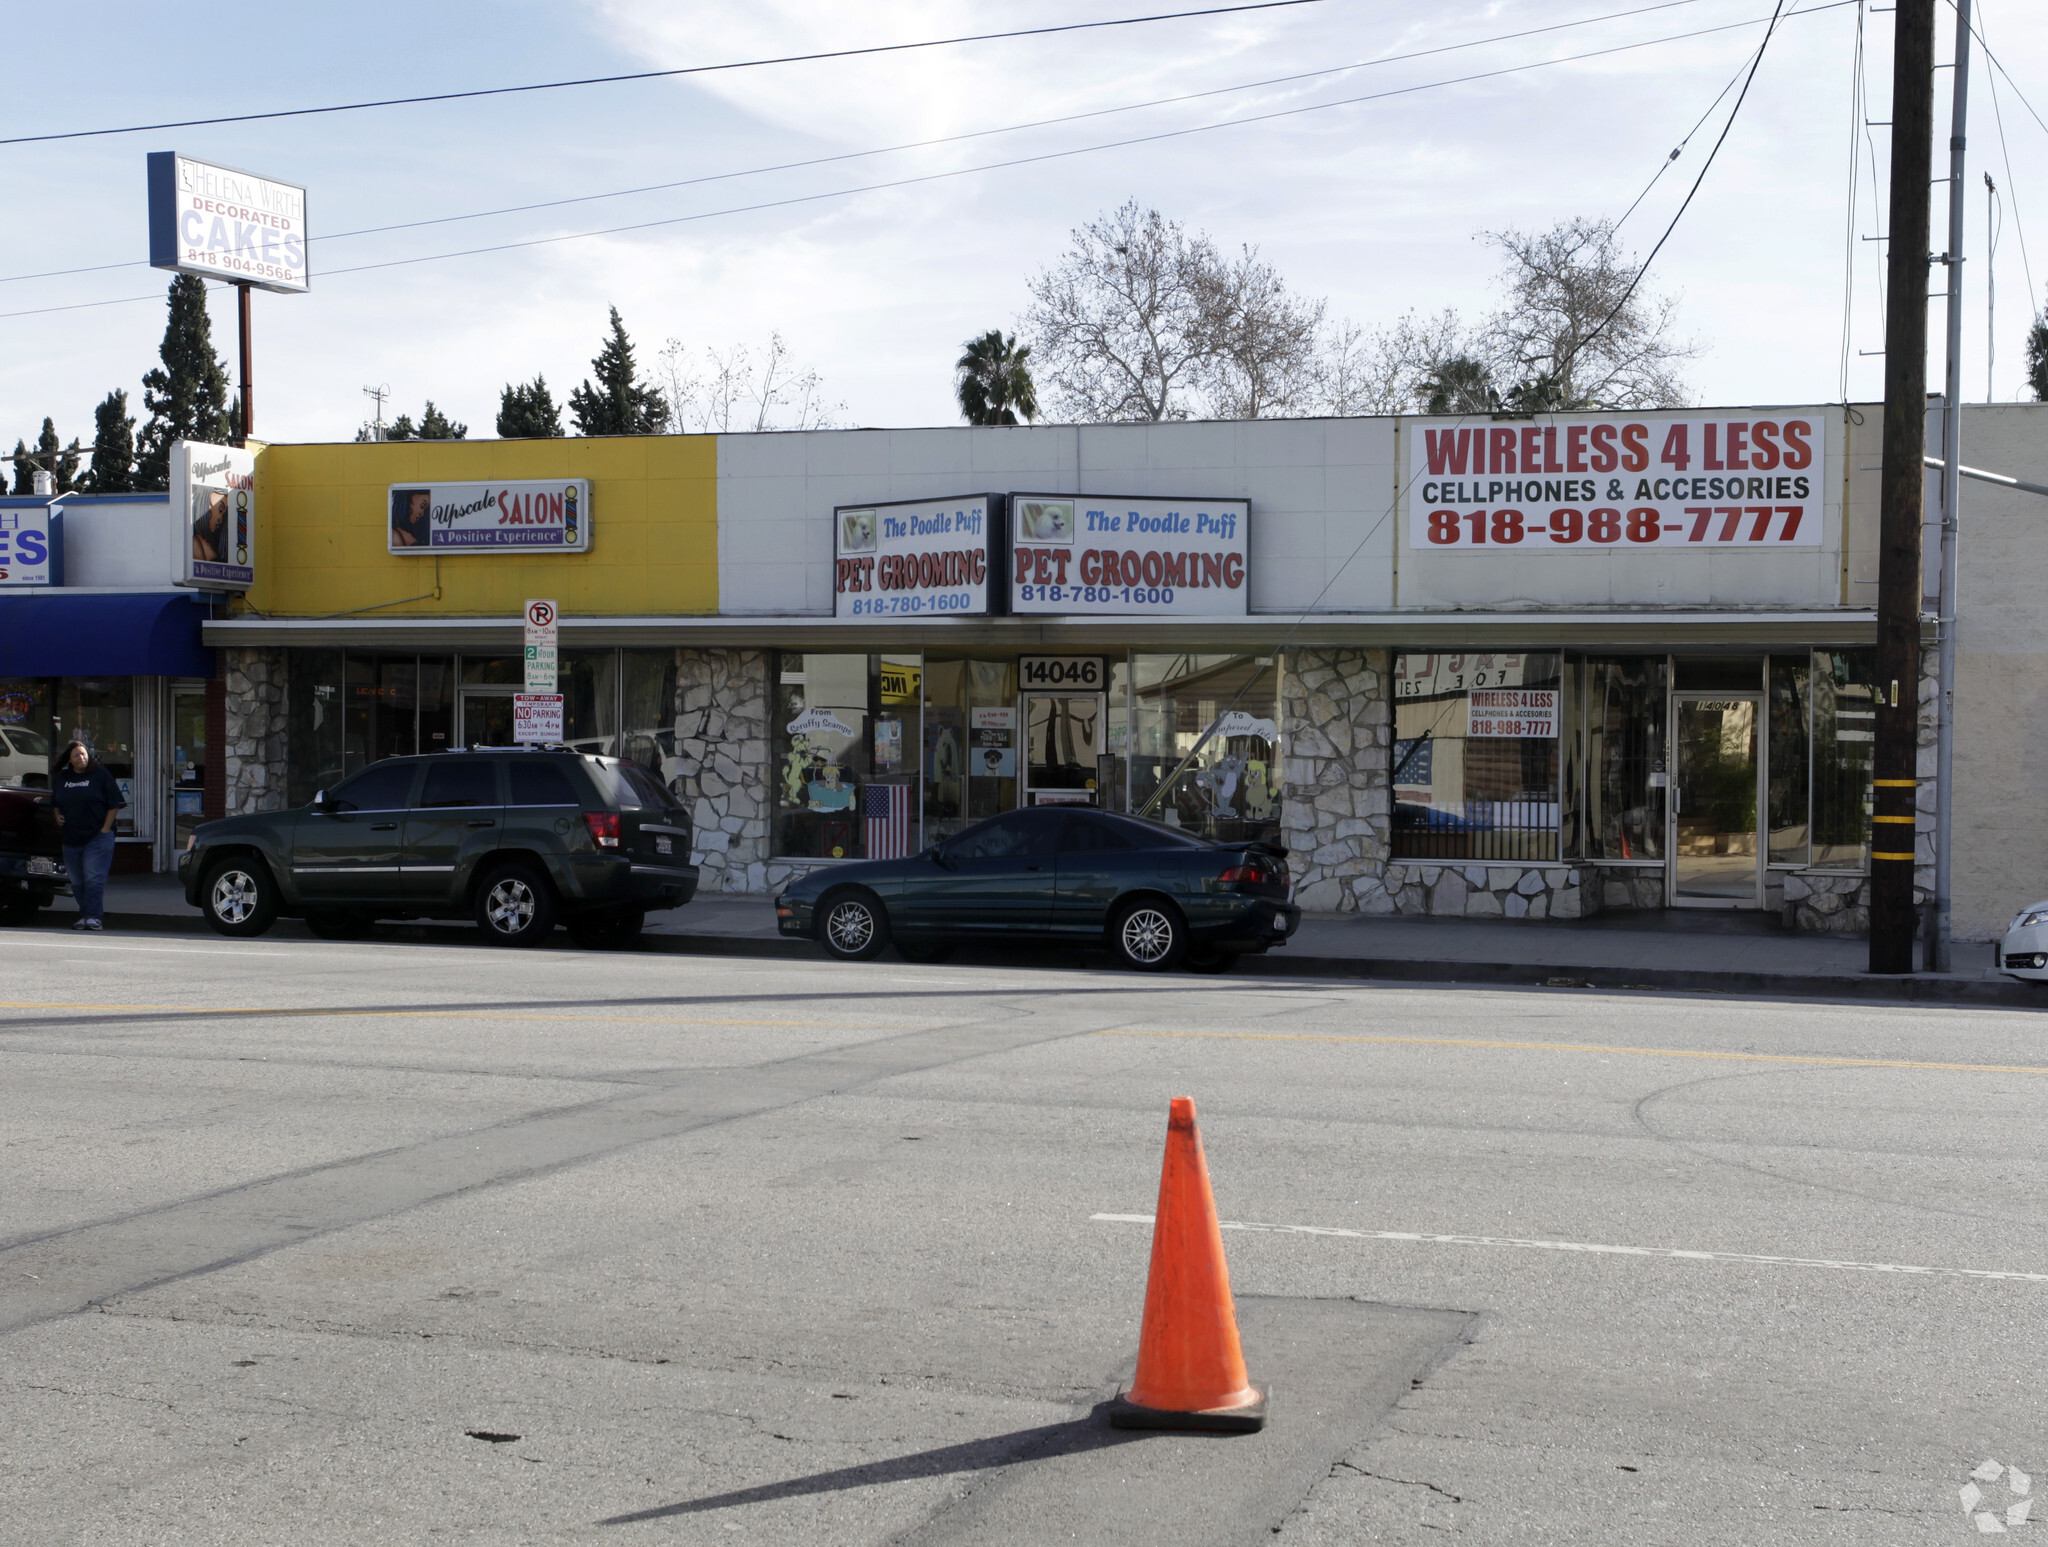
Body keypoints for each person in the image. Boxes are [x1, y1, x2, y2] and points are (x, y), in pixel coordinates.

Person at [51, 739, 124, 931]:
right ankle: (85, 915)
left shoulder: (100, 775)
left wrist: (106, 828)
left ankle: (93, 917)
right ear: (70, 759)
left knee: (93, 878)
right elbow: (55, 801)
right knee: (77, 881)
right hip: (71, 836)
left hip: (98, 836)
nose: (81, 757)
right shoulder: (64, 778)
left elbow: (115, 803)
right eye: (76, 755)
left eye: (84, 754)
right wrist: (57, 815)